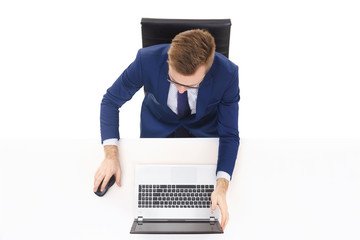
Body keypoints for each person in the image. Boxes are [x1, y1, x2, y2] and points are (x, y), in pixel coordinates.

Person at [93, 29, 240, 231]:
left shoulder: (228, 74)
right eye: (174, 81)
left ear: (207, 70)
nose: (180, 89)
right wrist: (110, 155)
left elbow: (230, 134)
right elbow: (110, 101)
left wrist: (222, 186)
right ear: (168, 61)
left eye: (191, 86)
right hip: (157, 126)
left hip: (204, 131)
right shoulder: (147, 60)